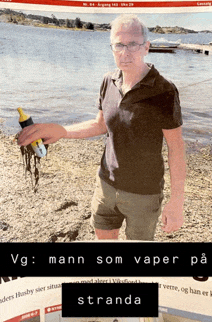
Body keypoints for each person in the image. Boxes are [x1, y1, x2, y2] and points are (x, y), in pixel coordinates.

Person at [18, 14, 186, 241]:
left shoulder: (164, 90)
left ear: (146, 47)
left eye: (133, 45)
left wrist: (176, 201)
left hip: (144, 194)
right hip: (105, 185)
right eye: (119, 45)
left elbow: (176, 148)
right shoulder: (109, 80)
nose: (125, 53)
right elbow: (99, 124)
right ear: (112, 47)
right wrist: (62, 131)